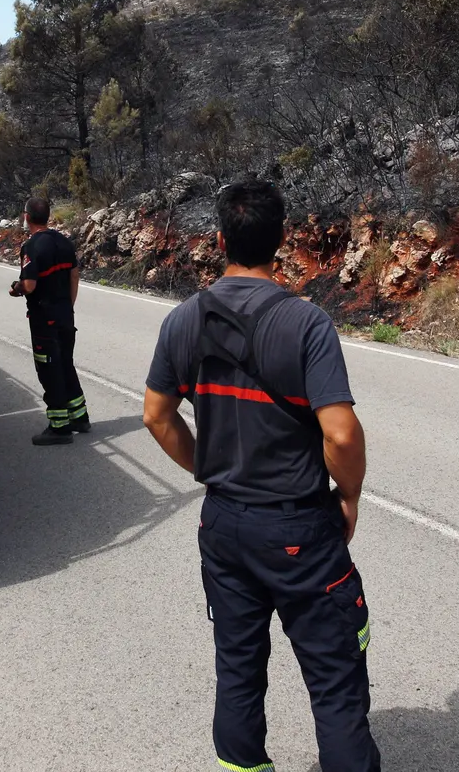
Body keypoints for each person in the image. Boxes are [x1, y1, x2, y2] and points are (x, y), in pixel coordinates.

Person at [141, 179, 380, 772]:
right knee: (334, 685)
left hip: (223, 525)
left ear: (220, 240)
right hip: (298, 527)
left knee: (238, 670)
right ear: (282, 241)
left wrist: (208, 467)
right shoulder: (306, 324)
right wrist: (347, 496)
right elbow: (342, 434)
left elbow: (155, 414)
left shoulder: (182, 322)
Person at [10, 196, 89, 445]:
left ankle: (59, 427)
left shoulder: (32, 247)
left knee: (49, 369)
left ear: (27, 217)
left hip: (44, 319)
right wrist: (68, 307)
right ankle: (79, 416)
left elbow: (30, 285)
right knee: (66, 364)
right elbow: (74, 277)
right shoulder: (64, 241)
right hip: (66, 315)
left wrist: (16, 288)